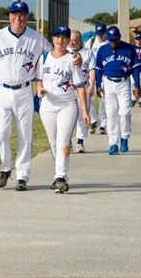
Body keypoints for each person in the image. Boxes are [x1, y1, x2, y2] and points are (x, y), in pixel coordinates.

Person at [0, 1, 82, 191]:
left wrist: (76, 56)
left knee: (25, 133)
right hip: (1, 90)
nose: (18, 19)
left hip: (24, 90)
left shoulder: (36, 38)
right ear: (9, 16)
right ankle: (6, 167)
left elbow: (56, 51)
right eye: (14, 15)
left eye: (22, 15)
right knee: (2, 132)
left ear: (27, 17)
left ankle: (22, 176)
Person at [35, 26, 90, 193]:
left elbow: (80, 86)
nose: (60, 41)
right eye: (57, 37)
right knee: (53, 143)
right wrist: (39, 89)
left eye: (64, 38)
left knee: (63, 142)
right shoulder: (44, 57)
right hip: (48, 105)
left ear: (68, 41)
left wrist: (85, 110)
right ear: (53, 39)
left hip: (67, 105)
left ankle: (61, 176)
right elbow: (38, 79)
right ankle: (58, 176)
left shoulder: (73, 59)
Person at [95, 26, 141, 155]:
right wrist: (98, 84)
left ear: (119, 38)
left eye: (115, 39)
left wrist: (137, 85)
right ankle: (113, 143)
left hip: (123, 82)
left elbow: (136, 68)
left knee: (125, 112)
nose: (113, 42)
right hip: (108, 83)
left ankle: (124, 137)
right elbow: (98, 68)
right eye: (110, 40)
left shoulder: (129, 48)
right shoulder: (102, 50)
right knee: (111, 114)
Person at [68, 29, 95, 153]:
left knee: (82, 116)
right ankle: (67, 141)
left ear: (80, 41)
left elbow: (92, 70)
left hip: (83, 87)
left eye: (75, 40)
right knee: (68, 116)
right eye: (71, 40)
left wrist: (91, 85)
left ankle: (80, 142)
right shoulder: (64, 52)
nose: (72, 43)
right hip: (68, 89)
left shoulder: (88, 53)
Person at [85, 22, 108, 135]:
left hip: (104, 73)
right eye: (98, 33)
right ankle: (94, 120)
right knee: (90, 97)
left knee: (104, 99)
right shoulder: (91, 42)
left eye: (102, 33)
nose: (100, 36)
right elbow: (85, 55)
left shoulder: (109, 43)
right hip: (92, 73)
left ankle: (103, 124)